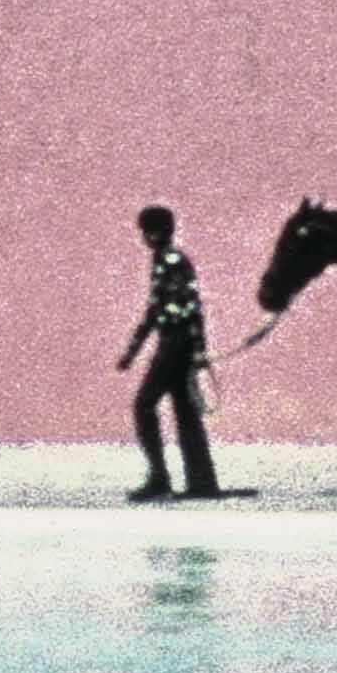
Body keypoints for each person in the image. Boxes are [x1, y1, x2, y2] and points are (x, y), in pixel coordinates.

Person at [115, 203, 222, 501]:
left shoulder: (173, 261)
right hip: (174, 342)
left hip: (177, 344)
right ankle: (201, 482)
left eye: (147, 232)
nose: (144, 238)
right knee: (185, 412)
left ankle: (161, 478)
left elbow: (191, 307)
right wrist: (134, 350)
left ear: (156, 232)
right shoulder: (164, 260)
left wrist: (199, 348)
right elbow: (155, 310)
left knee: (144, 405)